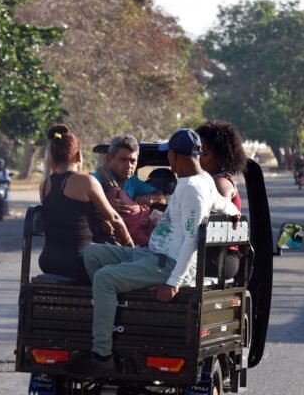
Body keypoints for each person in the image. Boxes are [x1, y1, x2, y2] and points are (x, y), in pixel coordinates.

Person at [64, 128, 241, 377]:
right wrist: (234, 212)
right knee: (93, 253)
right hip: (151, 255)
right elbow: (220, 202)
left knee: (104, 278)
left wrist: (173, 283)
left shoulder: (193, 189)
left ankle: (102, 355)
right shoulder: (201, 180)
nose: (168, 159)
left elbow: (192, 240)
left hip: (167, 264)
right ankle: (116, 315)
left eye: (169, 154)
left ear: (175, 156)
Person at [38, 124, 134, 283]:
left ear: (53, 157)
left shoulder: (44, 185)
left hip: (47, 262)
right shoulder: (86, 181)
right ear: (78, 155)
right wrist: (130, 247)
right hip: (80, 263)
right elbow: (114, 218)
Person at [195, 120, 246, 280]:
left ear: (221, 157)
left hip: (220, 257)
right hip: (213, 254)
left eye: (204, 154)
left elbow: (215, 220)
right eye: (196, 152)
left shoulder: (220, 182)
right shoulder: (208, 180)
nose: (198, 158)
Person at [92, 134, 164, 246]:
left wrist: (151, 198)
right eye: (123, 160)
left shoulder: (132, 181)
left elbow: (161, 197)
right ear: (108, 159)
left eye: (133, 161)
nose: (129, 166)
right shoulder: (94, 181)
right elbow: (77, 209)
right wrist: (103, 207)